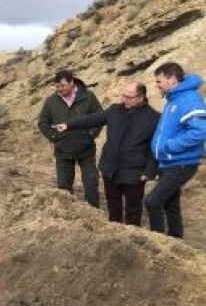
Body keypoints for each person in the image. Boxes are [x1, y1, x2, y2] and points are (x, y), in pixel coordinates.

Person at [54, 81, 160, 225]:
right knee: (113, 207)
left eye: (129, 97)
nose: (125, 100)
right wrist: (68, 125)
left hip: (134, 172)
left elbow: (155, 147)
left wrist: (149, 171)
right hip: (110, 169)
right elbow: (93, 119)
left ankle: (132, 240)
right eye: (124, 96)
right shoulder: (115, 110)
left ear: (141, 97)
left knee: (133, 210)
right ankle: (114, 234)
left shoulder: (153, 118)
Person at [144, 62, 206, 238]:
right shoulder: (174, 99)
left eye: (159, 81)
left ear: (172, 79)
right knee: (170, 203)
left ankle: (157, 242)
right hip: (170, 162)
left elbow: (200, 131)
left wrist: (169, 146)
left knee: (152, 201)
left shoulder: (189, 99)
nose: (156, 85)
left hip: (181, 162)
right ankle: (175, 239)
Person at [38, 70, 103, 207]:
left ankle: (94, 214)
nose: (59, 89)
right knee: (63, 187)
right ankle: (67, 216)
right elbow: (42, 122)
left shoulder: (88, 97)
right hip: (63, 149)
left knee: (91, 183)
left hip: (86, 148)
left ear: (72, 82)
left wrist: (92, 134)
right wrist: (54, 137)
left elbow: (100, 117)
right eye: (56, 86)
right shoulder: (51, 101)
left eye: (62, 86)